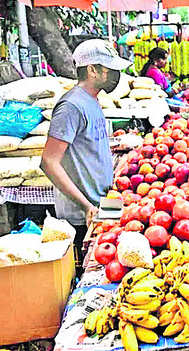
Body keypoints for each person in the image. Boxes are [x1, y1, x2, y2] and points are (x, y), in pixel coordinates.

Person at [41, 39, 131, 262]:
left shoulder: (92, 100)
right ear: (92, 70)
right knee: (87, 267)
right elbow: (48, 161)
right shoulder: (71, 106)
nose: (115, 75)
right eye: (110, 70)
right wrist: (86, 206)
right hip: (83, 212)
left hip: (103, 202)